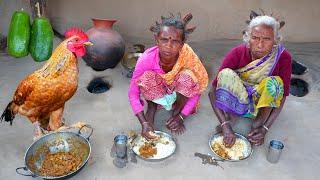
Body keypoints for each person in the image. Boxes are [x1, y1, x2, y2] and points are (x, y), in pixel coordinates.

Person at [209, 15, 292, 147]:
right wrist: (224, 124)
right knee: (225, 74)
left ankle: (258, 124)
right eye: (255, 38)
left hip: (262, 104)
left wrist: (265, 128)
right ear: (248, 38)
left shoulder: (283, 57)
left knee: (274, 84)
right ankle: (232, 115)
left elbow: (283, 96)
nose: (260, 45)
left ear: (275, 41)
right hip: (238, 98)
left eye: (267, 39)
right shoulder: (238, 52)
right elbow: (212, 91)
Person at [128, 13, 208, 139]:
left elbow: (196, 91)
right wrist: (143, 122)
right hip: (158, 89)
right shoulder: (147, 59)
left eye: (175, 41)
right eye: (164, 40)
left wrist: (182, 116)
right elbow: (133, 92)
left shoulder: (188, 56)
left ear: (182, 44)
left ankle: (176, 113)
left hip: (178, 91)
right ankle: (152, 107)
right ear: (156, 39)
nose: (168, 46)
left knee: (187, 77)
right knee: (146, 77)